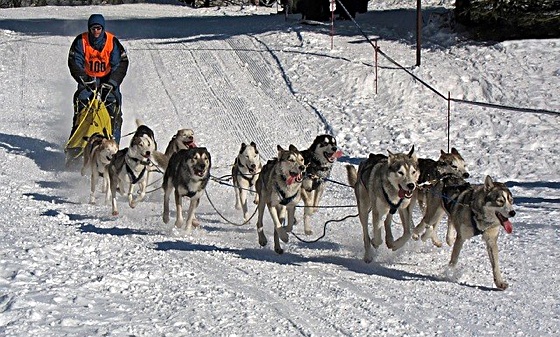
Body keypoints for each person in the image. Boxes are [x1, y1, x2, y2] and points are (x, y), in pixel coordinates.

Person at [67, 14, 129, 145]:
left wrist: (112, 82)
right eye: (93, 29)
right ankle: (77, 141)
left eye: (98, 29)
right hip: (88, 79)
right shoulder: (81, 41)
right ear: (89, 29)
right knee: (81, 106)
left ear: (103, 29)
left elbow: (121, 63)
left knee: (114, 110)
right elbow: (74, 61)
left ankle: (114, 143)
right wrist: (83, 78)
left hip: (108, 79)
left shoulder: (112, 42)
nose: (96, 32)